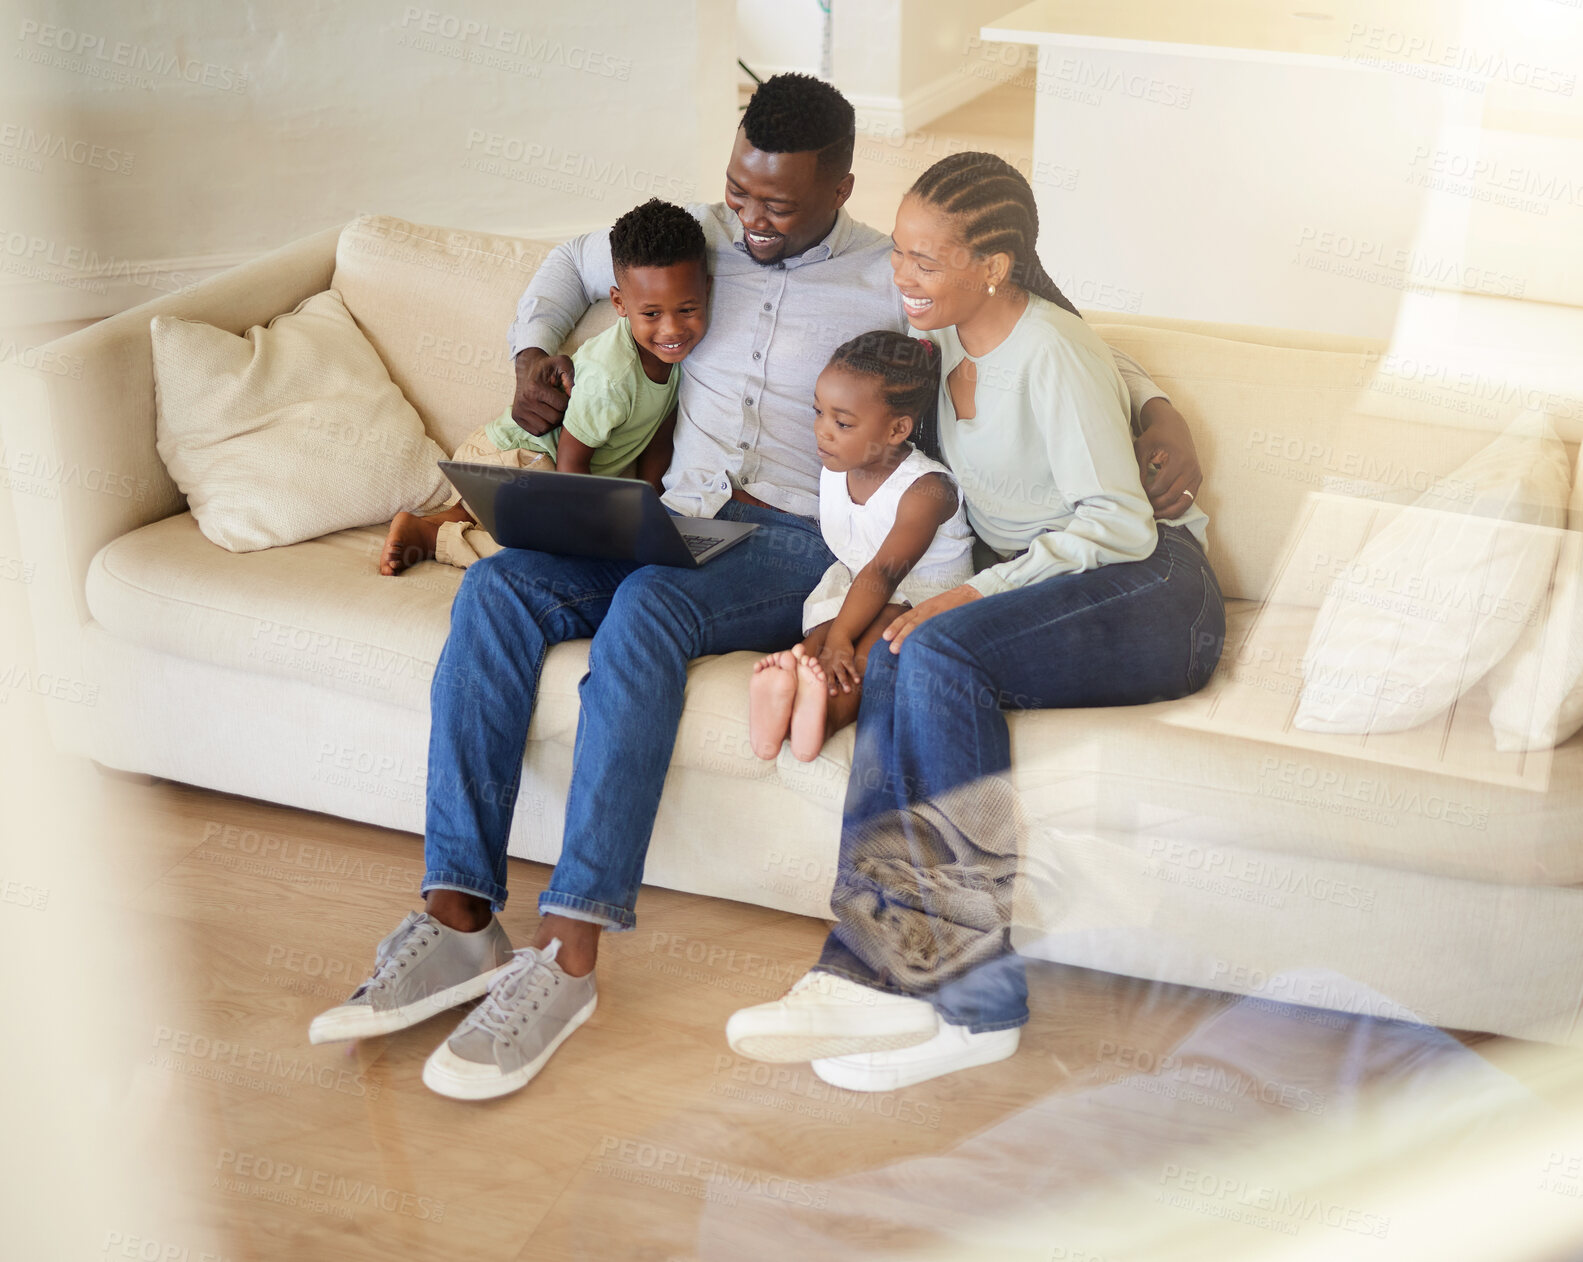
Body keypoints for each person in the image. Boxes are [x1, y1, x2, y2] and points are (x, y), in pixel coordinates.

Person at [308, 75, 1206, 1102]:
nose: (751, 219)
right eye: (739, 192)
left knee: (652, 606)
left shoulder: (889, 278)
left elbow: (1031, 328)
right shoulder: (693, 242)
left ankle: (567, 951)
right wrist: (531, 348)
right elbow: (566, 266)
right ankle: (459, 914)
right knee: (501, 586)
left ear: (840, 188)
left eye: (777, 204)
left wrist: (1154, 403)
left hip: (783, 540)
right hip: (671, 514)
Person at [724, 151, 1226, 1088]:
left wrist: (972, 592)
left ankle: (972, 1007)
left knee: (939, 647)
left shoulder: (1052, 352)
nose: (898, 275)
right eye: (899, 252)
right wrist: (1151, 395)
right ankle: (881, 977)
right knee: (906, 652)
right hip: (1063, 580)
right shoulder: (948, 335)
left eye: (923, 258)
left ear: (990, 264)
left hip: (1157, 590)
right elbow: (1109, 355)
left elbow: (1116, 523)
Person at [377, 198, 708, 576]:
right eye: (651, 314)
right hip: (514, 457)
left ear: (707, 290)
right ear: (619, 302)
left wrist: (652, 513)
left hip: (533, 471)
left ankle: (448, 518)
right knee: (554, 557)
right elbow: (571, 461)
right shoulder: (612, 375)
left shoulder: (682, 360)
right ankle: (434, 538)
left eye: (687, 309)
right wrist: (595, 532)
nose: (672, 330)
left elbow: (660, 435)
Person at [749, 329, 972, 762]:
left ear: (897, 429)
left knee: (866, 643)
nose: (821, 432)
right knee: (818, 647)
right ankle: (784, 701)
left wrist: (841, 640)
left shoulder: (926, 490)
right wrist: (830, 640)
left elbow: (886, 572)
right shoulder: (838, 466)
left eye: (842, 422)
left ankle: (826, 718)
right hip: (855, 587)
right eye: (819, 412)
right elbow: (859, 573)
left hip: (919, 599)